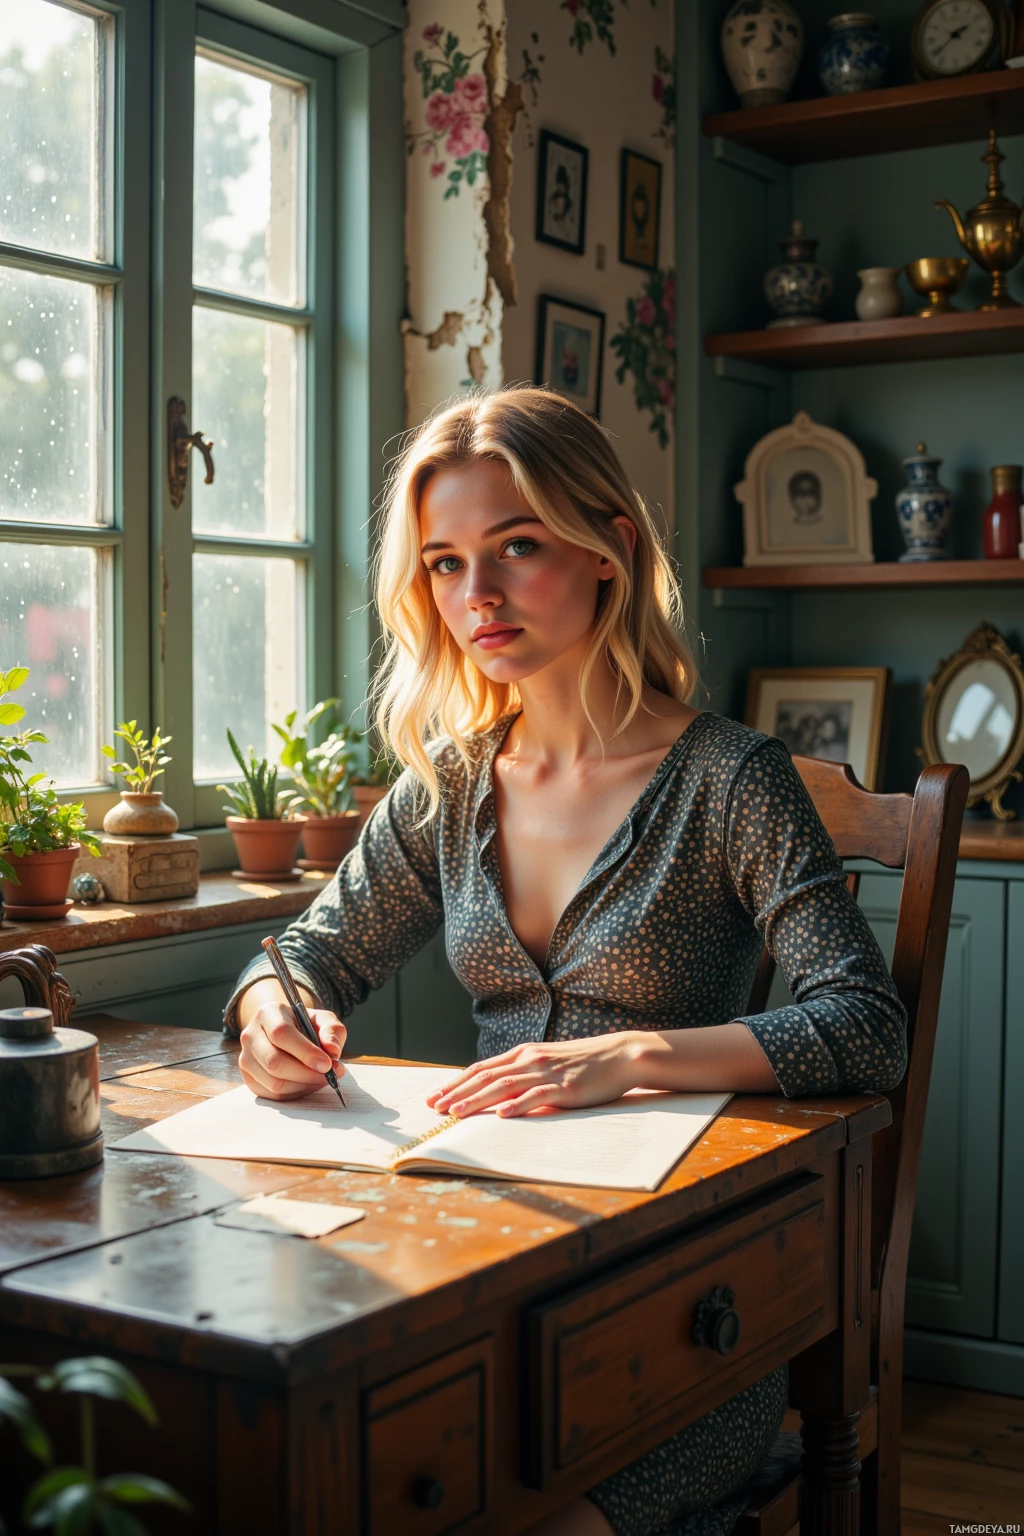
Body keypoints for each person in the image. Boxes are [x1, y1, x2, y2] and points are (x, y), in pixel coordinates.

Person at [224, 386, 906, 1536]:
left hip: (693, 1298)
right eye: (444, 564)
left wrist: (631, 1058)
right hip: (484, 1260)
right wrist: (267, 1018)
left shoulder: (731, 778)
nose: (476, 597)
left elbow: (866, 1026)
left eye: (517, 547)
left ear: (608, 550)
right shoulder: (446, 786)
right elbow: (304, 956)